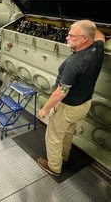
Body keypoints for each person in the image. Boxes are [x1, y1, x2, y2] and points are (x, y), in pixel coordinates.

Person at [38, 20, 105, 176]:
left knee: (54, 135)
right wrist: (88, 26)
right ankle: (63, 157)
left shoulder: (75, 62)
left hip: (67, 107)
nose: (67, 37)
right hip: (84, 104)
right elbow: (99, 35)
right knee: (68, 133)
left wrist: (45, 109)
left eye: (71, 35)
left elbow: (61, 92)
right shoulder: (97, 49)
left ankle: (54, 167)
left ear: (84, 39)